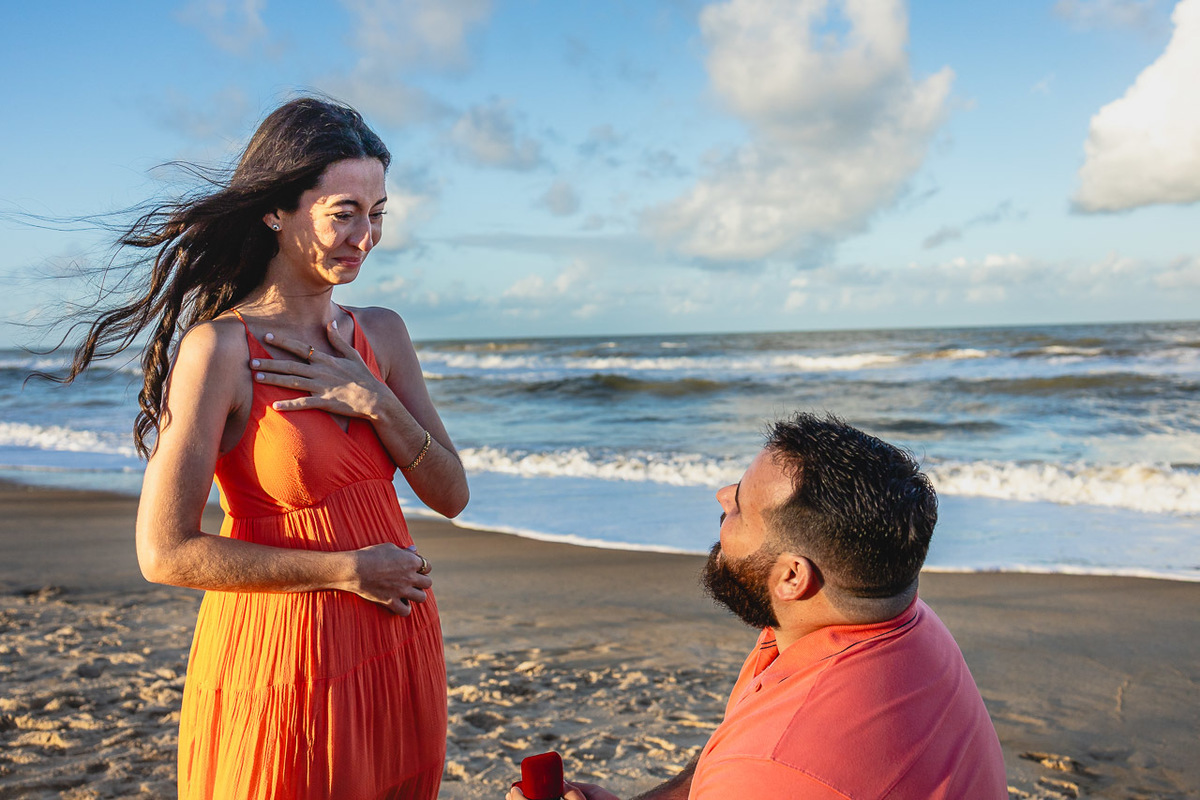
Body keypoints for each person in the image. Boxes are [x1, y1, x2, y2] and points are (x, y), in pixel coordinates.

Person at [57, 97, 469, 799]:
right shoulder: (218, 350)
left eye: (378, 214)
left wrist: (374, 397)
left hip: (397, 647)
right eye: (345, 212)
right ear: (277, 210)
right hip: (285, 656)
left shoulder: (383, 334)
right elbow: (164, 552)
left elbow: (451, 494)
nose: (365, 236)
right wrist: (344, 571)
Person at [508, 413, 1007, 800]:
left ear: (791, 577)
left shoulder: (779, 763)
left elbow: (770, 768)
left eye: (742, 505)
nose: (723, 495)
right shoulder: (899, 623)